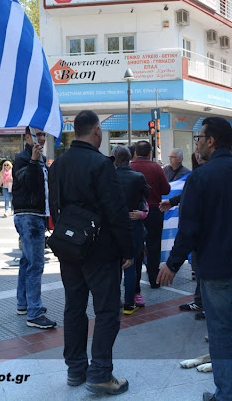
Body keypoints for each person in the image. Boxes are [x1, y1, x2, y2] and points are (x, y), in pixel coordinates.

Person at [157, 117, 232, 401]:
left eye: (199, 138)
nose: (197, 143)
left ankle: (225, 395)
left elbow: (189, 229)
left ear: (211, 141)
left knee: (220, 332)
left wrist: (172, 263)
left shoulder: (199, 177)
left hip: (215, 270)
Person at [48, 110, 133, 395]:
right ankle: (100, 374)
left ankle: (76, 369)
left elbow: (54, 206)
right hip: (100, 249)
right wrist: (128, 250)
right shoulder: (101, 164)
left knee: (74, 308)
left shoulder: (58, 164)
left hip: (69, 247)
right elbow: (116, 210)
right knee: (107, 310)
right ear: (96, 130)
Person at [12, 127, 56, 329]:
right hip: (29, 216)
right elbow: (28, 184)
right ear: (28, 137)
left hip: (35, 215)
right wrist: (34, 161)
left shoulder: (41, 159)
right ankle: (34, 313)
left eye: (44, 135)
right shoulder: (23, 158)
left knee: (27, 262)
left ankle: (24, 304)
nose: (42, 138)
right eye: (38, 135)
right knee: (36, 265)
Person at [161, 149, 209, 320]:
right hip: (206, 237)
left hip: (207, 237)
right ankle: (201, 302)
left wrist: (172, 264)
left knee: (208, 273)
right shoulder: (199, 174)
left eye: (199, 149)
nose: (196, 154)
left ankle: (209, 307)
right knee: (200, 269)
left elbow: (188, 228)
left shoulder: (201, 174)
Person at [112, 145, 149, 315]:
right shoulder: (138, 177)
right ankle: (129, 303)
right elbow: (146, 196)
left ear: (114, 159)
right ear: (131, 157)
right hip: (134, 223)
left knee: (115, 265)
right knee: (131, 264)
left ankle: (114, 301)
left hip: (114, 225)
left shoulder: (110, 176)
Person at [131, 141, 171, 294]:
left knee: (136, 247)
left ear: (135, 152)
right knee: (154, 245)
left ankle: (135, 284)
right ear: (150, 153)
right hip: (154, 211)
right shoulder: (156, 167)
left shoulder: (130, 167)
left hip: (135, 213)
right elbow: (166, 189)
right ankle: (154, 278)